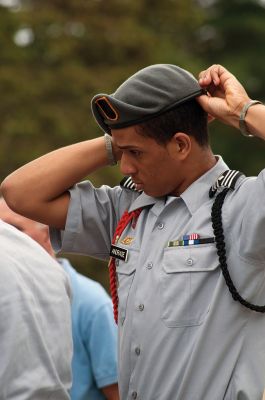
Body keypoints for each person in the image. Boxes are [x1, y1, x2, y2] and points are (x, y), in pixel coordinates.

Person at [2, 63, 265, 399]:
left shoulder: (243, 208)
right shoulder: (126, 211)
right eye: (121, 153)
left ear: (181, 145)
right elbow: (19, 193)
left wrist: (242, 111)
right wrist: (119, 141)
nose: (125, 167)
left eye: (136, 153)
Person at [0, 198, 119, 400]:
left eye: (15, 230)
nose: (8, 240)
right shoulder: (8, 290)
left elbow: (117, 391)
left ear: (47, 233)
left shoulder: (92, 302)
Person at [0, 210, 72, 398]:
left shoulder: (91, 298)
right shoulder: (54, 272)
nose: (12, 234)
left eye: (15, 227)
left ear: (48, 235)